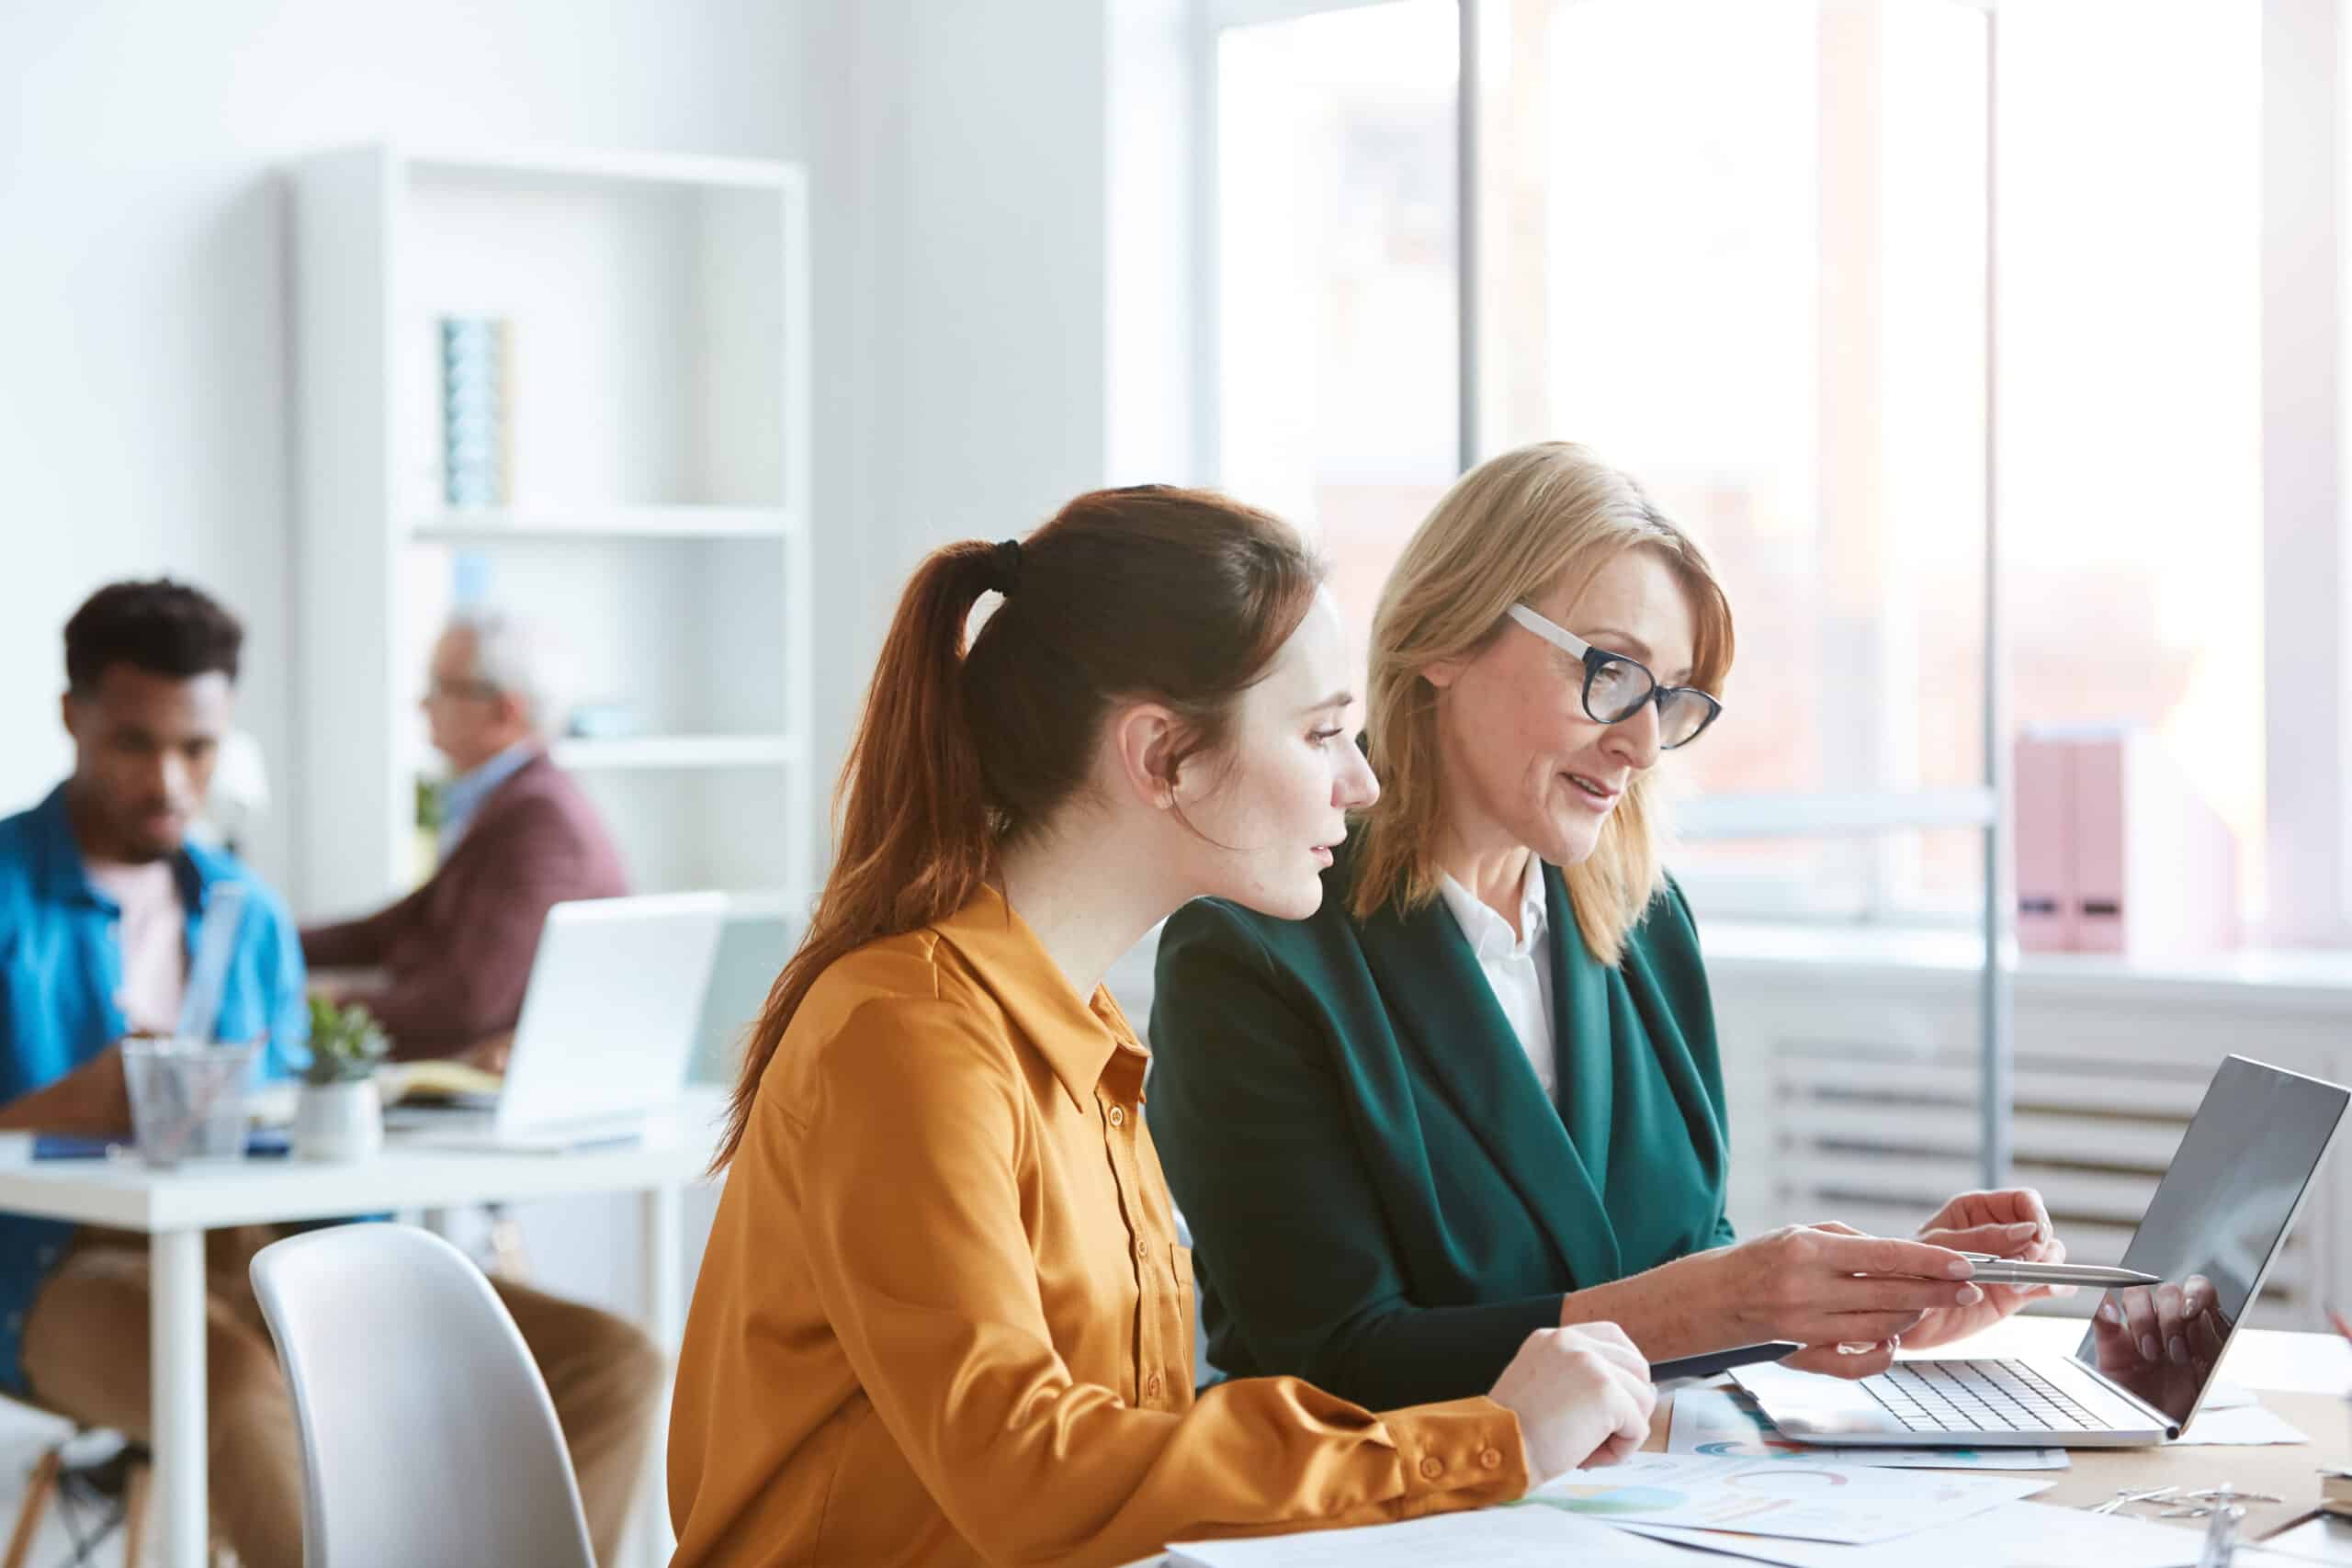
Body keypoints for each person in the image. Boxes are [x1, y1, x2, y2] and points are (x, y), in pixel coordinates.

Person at [669, 489, 1657, 1568]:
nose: (1362, 784)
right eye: (1322, 733)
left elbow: (1124, 1456)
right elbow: (1029, 1474)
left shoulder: (1075, 1031)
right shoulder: (908, 1039)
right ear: (1160, 758)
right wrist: (1488, 1440)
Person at [1148, 443, 2069, 1415]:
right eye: (1610, 673)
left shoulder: (1642, 923)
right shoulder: (1253, 949)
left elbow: (1681, 1271)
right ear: (1444, 638)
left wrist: (1862, 1302)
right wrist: (1720, 1306)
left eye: (1668, 700)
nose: (1638, 744)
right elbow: (1330, 1366)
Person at [0, 581, 662, 1568]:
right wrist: (54, 1108)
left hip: (267, 1248)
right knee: (227, 1378)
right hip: (51, 1270)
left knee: (613, 1365)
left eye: (200, 749)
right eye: (137, 745)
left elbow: (291, 1100)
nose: (173, 783)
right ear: (72, 719)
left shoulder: (245, 909)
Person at [302, 605, 627, 1062]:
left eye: (442, 688)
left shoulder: (538, 819)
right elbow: (403, 925)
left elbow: (467, 1005)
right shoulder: (505, 801)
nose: (423, 704)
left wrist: (323, 1005)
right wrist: (273, 939)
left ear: (505, 709)